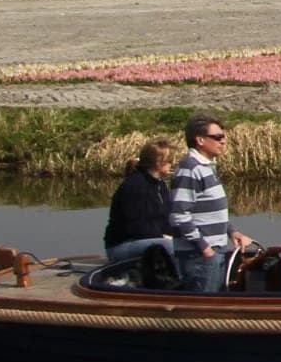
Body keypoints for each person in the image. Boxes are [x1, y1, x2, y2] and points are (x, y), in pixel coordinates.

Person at [167, 116, 255, 292]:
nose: (223, 141)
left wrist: (231, 231)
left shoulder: (206, 167)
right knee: (201, 313)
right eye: (217, 137)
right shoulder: (190, 169)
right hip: (199, 256)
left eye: (223, 136)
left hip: (213, 251)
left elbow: (212, 209)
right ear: (200, 140)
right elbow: (179, 215)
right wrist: (205, 248)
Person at [103, 140, 175, 276]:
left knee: (185, 243)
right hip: (122, 245)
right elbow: (135, 227)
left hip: (148, 239)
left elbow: (166, 219)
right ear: (158, 162)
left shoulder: (160, 185)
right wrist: (163, 237)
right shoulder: (135, 186)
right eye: (170, 160)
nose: (173, 163)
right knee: (171, 246)